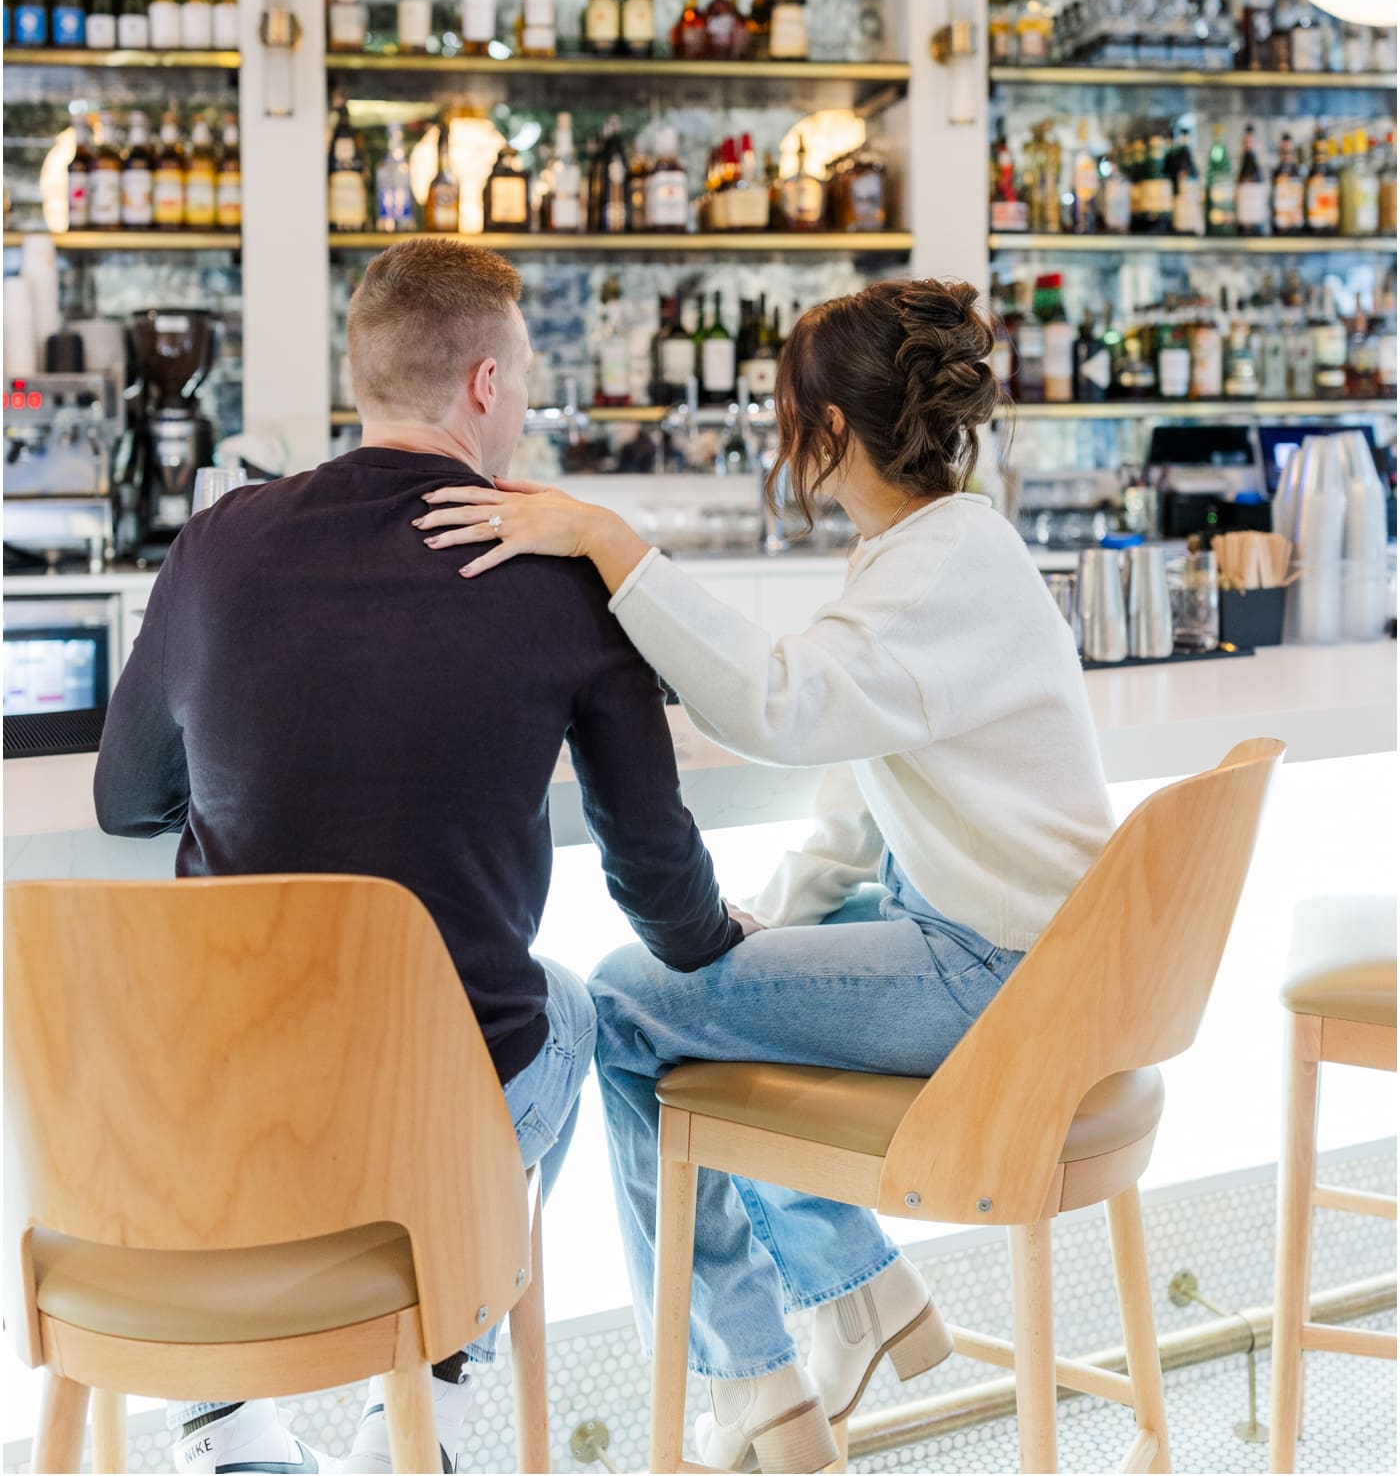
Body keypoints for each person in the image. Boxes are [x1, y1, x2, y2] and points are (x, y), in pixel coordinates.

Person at [414, 276, 1117, 1474]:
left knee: (626, 1003)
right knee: (699, 982)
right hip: (1037, 963)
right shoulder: (943, 546)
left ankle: (758, 1379)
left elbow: (776, 705)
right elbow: (859, 794)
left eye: (788, 410)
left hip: (1004, 987)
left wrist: (605, 537)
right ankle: (848, 1299)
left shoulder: (934, 566)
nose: (777, 432)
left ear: (830, 429)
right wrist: (755, 934)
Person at [94, 238, 741, 1477]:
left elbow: (127, 803)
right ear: (487, 387)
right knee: (574, 1006)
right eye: (531, 378)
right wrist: (719, 938)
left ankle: (228, 1415)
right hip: (438, 1122)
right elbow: (655, 879)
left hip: (207, 1114)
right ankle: (436, 1402)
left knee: (301, 1033)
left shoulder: (218, 543)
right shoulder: (561, 569)